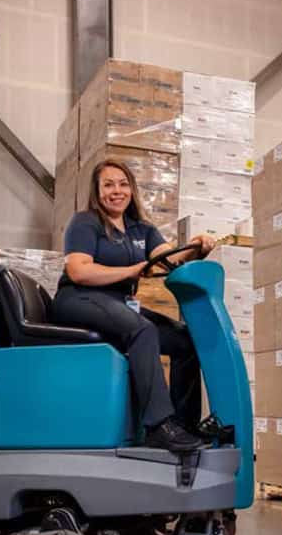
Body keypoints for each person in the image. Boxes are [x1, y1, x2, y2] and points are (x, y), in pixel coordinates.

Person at [51, 158, 216, 453]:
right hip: (77, 298)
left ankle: (183, 424)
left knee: (185, 340)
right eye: (108, 184)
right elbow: (79, 271)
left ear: (132, 190)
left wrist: (196, 246)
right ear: (97, 190)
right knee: (142, 330)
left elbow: (167, 257)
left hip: (119, 304)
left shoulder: (141, 229)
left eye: (123, 184)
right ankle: (158, 426)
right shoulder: (85, 222)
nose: (117, 191)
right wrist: (130, 271)